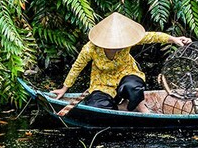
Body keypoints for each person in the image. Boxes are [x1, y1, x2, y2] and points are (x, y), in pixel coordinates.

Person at [49, 12, 190, 113]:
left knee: (133, 87)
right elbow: (77, 67)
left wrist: (174, 39)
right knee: (97, 106)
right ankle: (124, 108)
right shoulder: (90, 49)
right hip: (102, 83)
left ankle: (141, 108)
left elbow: (150, 36)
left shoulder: (126, 40)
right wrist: (65, 88)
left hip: (126, 74)